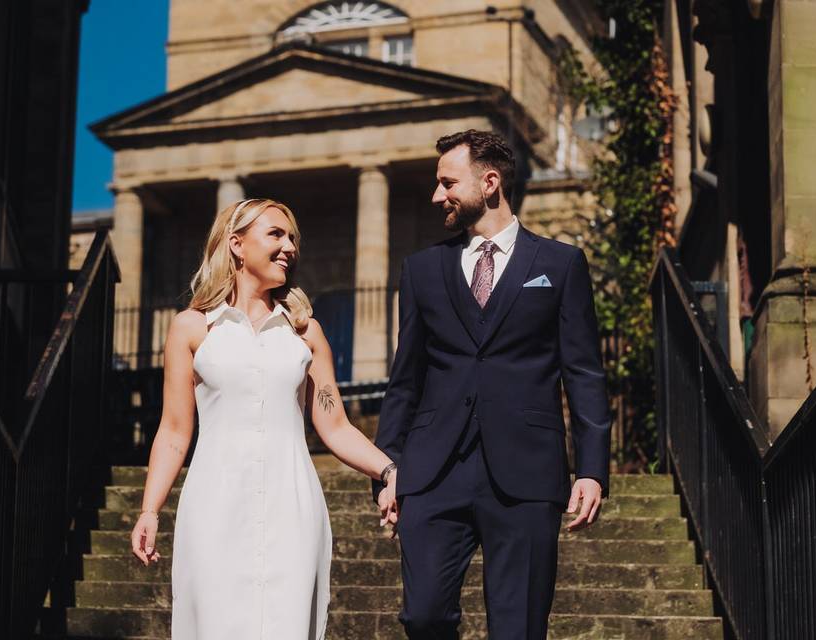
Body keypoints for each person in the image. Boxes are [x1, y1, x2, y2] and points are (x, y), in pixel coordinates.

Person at [373, 130, 611, 639]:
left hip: (526, 471)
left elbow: (584, 371)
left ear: (490, 181)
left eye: (447, 183)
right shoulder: (421, 270)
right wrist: (388, 467)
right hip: (433, 471)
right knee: (423, 617)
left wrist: (592, 469)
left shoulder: (559, 265)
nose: (437, 195)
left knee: (518, 627)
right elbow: (405, 379)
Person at [129, 198, 398, 639]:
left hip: (292, 504)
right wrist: (149, 510)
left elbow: (335, 425)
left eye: (292, 237)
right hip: (214, 505)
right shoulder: (192, 328)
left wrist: (388, 469)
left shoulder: (305, 333)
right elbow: (175, 431)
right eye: (276, 233)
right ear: (236, 245)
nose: (289, 245)